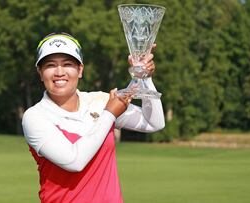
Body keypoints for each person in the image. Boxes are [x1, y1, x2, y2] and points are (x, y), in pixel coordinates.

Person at [22, 32, 165, 203]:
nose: (59, 72)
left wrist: (145, 78)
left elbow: (153, 123)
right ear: (40, 72)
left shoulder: (99, 101)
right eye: (50, 65)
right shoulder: (35, 117)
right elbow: (74, 161)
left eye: (68, 64)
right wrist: (110, 114)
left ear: (80, 70)